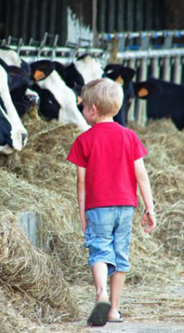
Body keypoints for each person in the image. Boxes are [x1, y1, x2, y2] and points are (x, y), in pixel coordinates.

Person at [67, 78, 156, 327]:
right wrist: (149, 207)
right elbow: (142, 175)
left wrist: (83, 214)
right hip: (126, 206)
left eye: (83, 106)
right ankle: (114, 311)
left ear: (92, 110)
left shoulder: (84, 140)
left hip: (98, 207)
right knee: (120, 255)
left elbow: (81, 183)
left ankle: (101, 295)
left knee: (99, 250)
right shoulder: (129, 136)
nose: (82, 110)